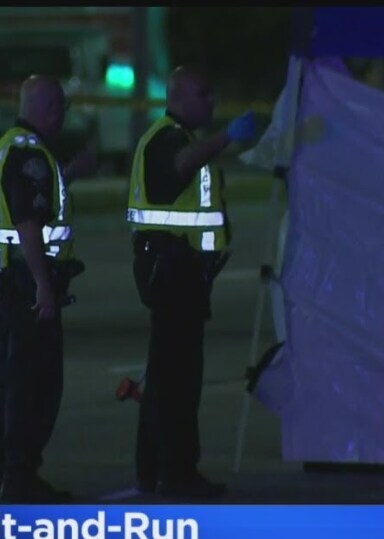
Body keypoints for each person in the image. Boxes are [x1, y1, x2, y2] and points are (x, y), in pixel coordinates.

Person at [126, 67, 257, 499]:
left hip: (180, 271)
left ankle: (159, 470)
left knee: (168, 376)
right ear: (179, 97)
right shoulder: (169, 139)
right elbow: (182, 165)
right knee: (176, 380)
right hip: (172, 271)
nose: (211, 101)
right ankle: (174, 472)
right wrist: (227, 137)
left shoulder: (176, 137)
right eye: (203, 93)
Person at [0, 75, 96, 504]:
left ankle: (6, 474)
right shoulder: (32, 155)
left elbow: (18, 204)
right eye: (61, 107)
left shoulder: (2, 149)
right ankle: (20, 477)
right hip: (27, 285)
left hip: (6, 284)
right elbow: (27, 224)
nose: (64, 116)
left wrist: (68, 174)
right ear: (50, 110)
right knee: (36, 387)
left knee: (11, 383)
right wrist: (44, 285)